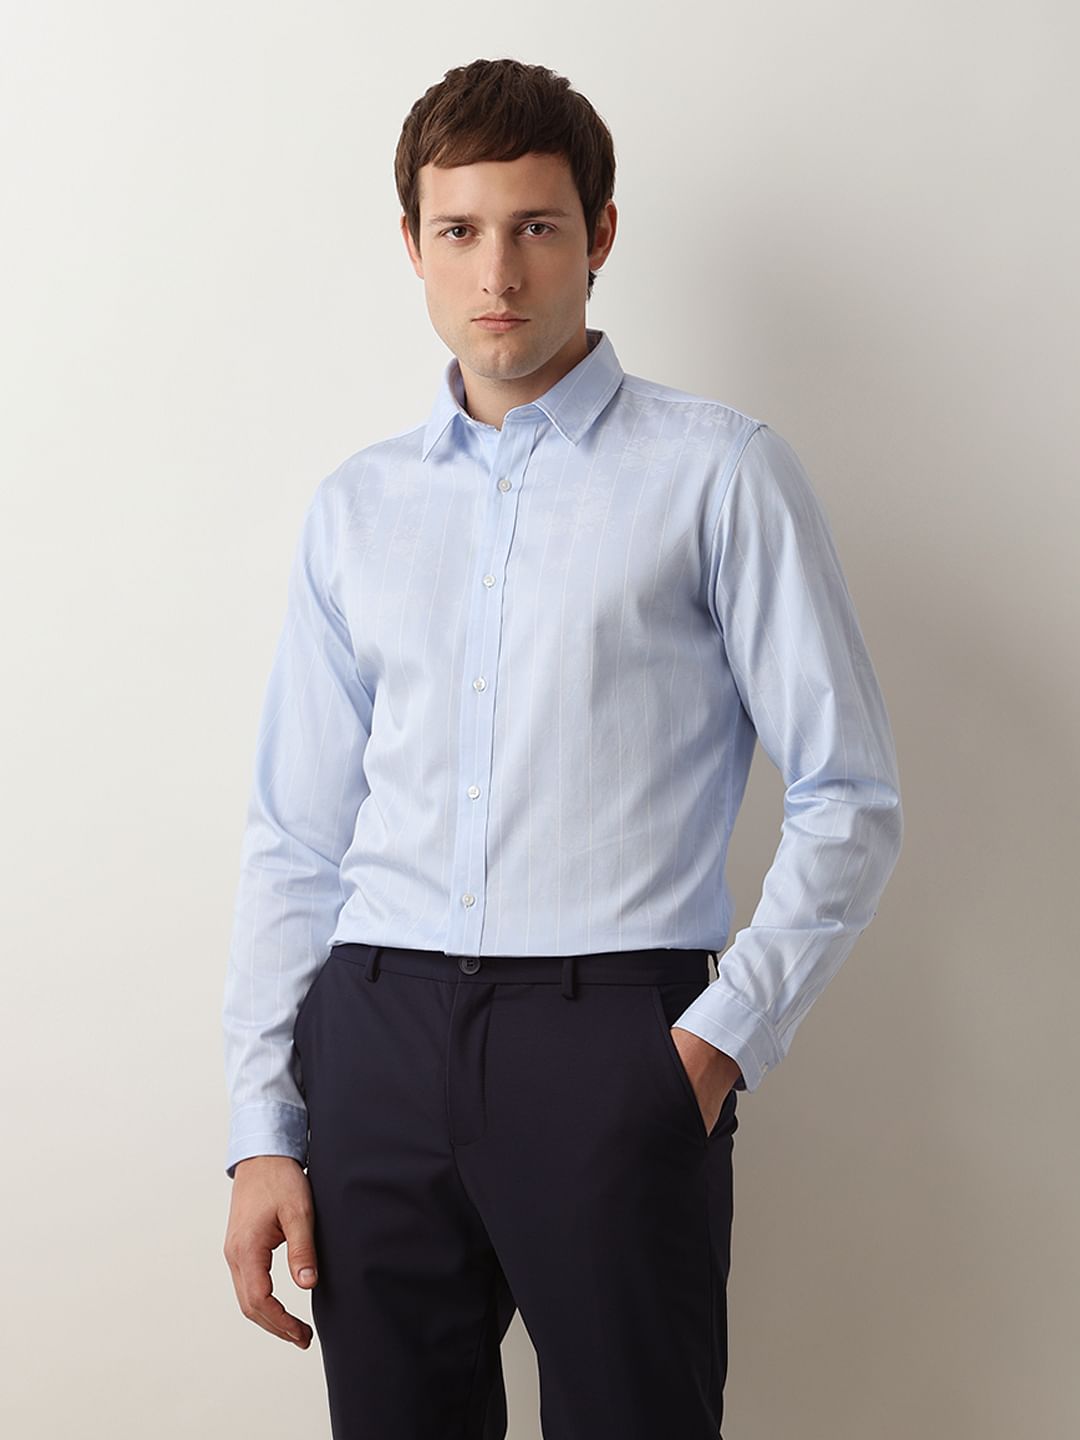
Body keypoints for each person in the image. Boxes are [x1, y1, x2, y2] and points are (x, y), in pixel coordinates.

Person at [221, 56, 903, 1440]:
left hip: (615, 1040)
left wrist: (713, 1045)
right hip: (375, 1039)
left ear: (598, 234)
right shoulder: (356, 509)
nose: (498, 272)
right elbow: (295, 837)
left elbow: (850, 794)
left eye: (536, 226)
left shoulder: (718, 473)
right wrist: (261, 1130)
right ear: (413, 244)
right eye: (461, 230)